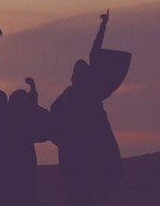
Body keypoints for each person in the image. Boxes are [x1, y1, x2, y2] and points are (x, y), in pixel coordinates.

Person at [51, 11, 131, 206]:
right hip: (75, 150)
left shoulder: (88, 91)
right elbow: (54, 117)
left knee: (89, 190)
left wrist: (103, 26)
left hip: (90, 146)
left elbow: (94, 52)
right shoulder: (70, 95)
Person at [0, 22, 50, 205]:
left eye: (17, 97)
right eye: (13, 96)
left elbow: (32, 107)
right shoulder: (1, 115)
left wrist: (33, 90)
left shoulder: (23, 123)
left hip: (16, 171)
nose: (13, 98)